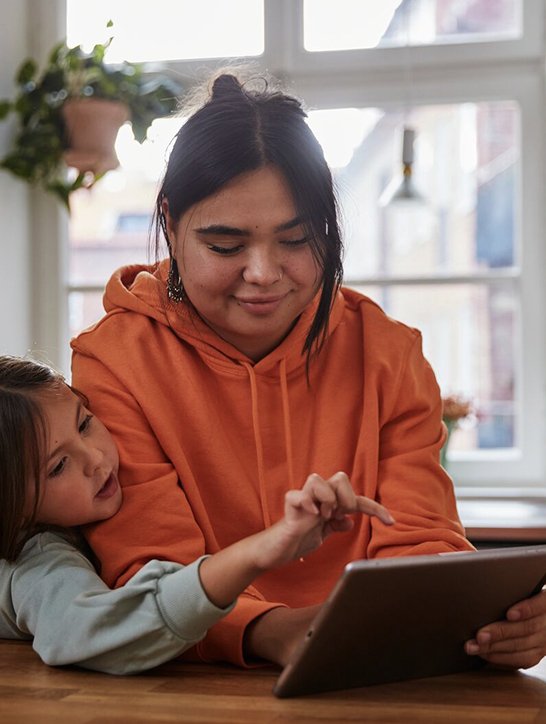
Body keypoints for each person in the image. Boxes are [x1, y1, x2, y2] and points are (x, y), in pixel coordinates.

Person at [71, 72, 546, 671]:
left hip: (368, 669)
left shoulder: (387, 353)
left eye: (295, 239)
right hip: (187, 681)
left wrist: (488, 618)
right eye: (225, 246)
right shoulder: (115, 361)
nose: (263, 272)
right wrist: (273, 630)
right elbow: (146, 573)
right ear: (170, 222)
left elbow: (422, 541)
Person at [0, 354, 393, 674]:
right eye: (57, 467)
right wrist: (254, 554)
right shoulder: (36, 561)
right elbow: (84, 630)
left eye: (85, 424)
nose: (96, 459)